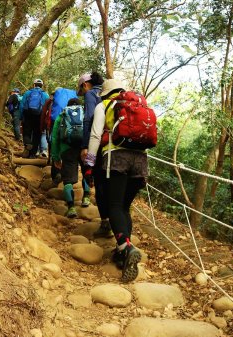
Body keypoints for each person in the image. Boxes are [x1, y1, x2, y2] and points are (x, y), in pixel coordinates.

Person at [84, 78, 147, 283]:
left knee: (114, 206)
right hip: (140, 161)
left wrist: (90, 164)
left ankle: (125, 247)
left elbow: (95, 135)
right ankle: (123, 253)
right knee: (124, 207)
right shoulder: (137, 104)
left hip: (116, 159)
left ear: (105, 92)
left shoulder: (104, 105)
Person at [78, 72, 111, 238]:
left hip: (98, 144)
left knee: (99, 182)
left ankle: (106, 223)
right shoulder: (110, 95)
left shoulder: (91, 94)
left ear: (85, 85)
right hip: (114, 147)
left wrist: (85, 146)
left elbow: (89, 119)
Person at [51, 98, 91, 218]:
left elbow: (55, 137)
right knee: (86, 172)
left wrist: (56, 156)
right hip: (84, 148)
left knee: (68, 180)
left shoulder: (62, 115)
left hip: (66, 149)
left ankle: (71, 207)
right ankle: (86, 198)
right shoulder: (85, 113)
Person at [19, 79, 49, 158]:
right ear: (41, 86)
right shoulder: (45, 94)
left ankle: (28, 144)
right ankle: (32, 154)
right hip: (39, 116)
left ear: (34, 85)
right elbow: (48, 108)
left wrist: (21, 117)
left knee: (26, 132)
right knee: (37, 135)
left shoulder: (28, 93)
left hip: (27, 114)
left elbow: (22, 105)